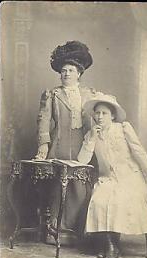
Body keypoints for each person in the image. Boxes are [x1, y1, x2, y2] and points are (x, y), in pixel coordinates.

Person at [77, 92, 147, 258]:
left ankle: (110, 247)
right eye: (97, 113)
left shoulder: (123, 129)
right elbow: (82, 160)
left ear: (112, 115)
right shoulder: (91, 135)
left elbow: (139, 152)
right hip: (108, 179)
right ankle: (110, 245)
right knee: (99, 200)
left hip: (130, 178)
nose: (100, 116)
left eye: (104, 113)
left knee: (117, 200)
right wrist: (92, 139)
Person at [35, 41, 97, 245]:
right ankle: (56, 232)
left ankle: (78, 231)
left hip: (83, 144)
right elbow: (43, 121)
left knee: (79, 187)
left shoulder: (90, 94)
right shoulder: (52, 94)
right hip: (59, 144)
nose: (67, 74)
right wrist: (44, 146)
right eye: (63, 71)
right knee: (58, 187)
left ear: (79, 73)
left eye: (71, 70)